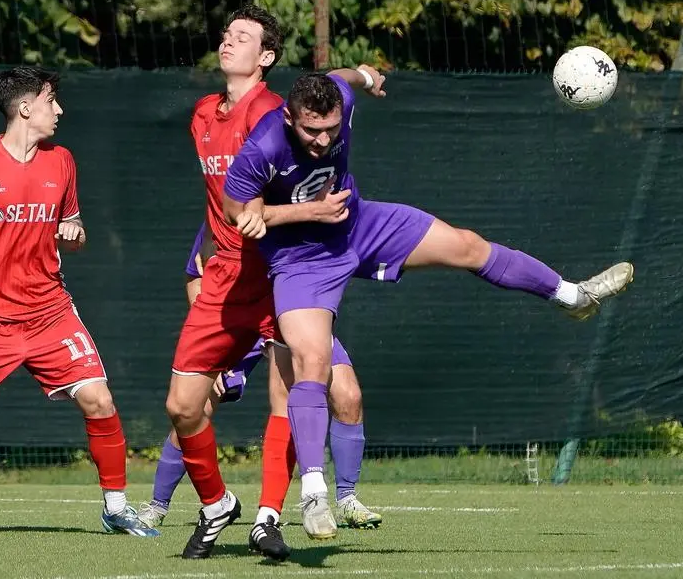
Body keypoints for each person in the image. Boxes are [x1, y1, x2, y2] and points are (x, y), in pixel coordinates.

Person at [222, 69, 635, 539]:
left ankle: (572, 295)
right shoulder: (264, 145)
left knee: (467, 246)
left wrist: (365, 75)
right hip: (301, 260)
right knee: (312, 359)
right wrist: (304, 212)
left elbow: (339, 77)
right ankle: (315, 493)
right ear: (289, 116)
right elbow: (238, 210)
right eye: (310, 130)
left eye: (331, 130)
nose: (322, 140)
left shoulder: (338, 98)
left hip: (358, 225)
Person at [164, 5, 383, 559]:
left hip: (284, 274)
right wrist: (203, 256)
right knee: (183, 406)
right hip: (225, 279)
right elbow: (224, 204)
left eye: (242, 37)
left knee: (293, 395)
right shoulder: (202, 115)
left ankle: (270, 515)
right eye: (225, 34)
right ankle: (216, 504)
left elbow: (300, 185)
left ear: (266, 57)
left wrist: (361, 75)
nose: (226, 43)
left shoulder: (274, 114)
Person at [0, 67, 157, 539]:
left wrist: (75, 233)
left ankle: (117, 508)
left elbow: (74, 230)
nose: (58, 110)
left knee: (100, 400)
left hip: (51, 313)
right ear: (25, 108)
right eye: (51, 101)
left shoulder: (62, 161)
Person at [138, 223, 382, 537]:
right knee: (194, 407)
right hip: (235, 319)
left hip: (291, 318)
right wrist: (212, 351)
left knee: (348, 396)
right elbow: (196, 276)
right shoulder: (230, 209)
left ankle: (346, 499)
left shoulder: (298, 210)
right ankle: (157, 506)